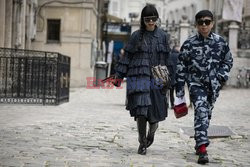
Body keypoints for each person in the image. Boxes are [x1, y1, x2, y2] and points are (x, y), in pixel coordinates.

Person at [112, 5, 173, 155]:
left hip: (158, 79)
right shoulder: (135, 36)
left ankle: (151, 133)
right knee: (141, 111)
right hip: (138, 76)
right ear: (143, 20)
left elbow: (167, 59)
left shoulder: (163, 36)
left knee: (154, 115)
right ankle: (142, 142)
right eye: (148, 19)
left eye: (154, 18)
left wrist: (170, 80)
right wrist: (118, 76)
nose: (151, 21)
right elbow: (127, 56)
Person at [175, 10, 233, 164]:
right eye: (201, 22)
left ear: (212, 23)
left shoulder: (221, 43)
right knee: (201, 111)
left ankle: (199, 141)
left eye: (207, 22)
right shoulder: (189, 44)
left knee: (206, 116)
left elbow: (228, 61)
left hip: (213, 87)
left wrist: (221, 77)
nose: (204, 25)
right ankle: (202, 149)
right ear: (196, 25)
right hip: (196, 85)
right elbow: (181, 66)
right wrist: (179, 88)